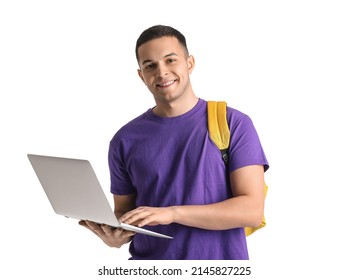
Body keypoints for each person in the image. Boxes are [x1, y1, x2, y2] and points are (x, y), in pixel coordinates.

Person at [79, 25, 269, 260]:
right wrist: (114, 236)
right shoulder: (124, 139)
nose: (162, 72)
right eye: (150, 66)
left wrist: (172, 214)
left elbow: (251, 210)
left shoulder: (233, 123)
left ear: (189, 63)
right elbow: (124, 212)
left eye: (170, 60)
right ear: (141, 75)